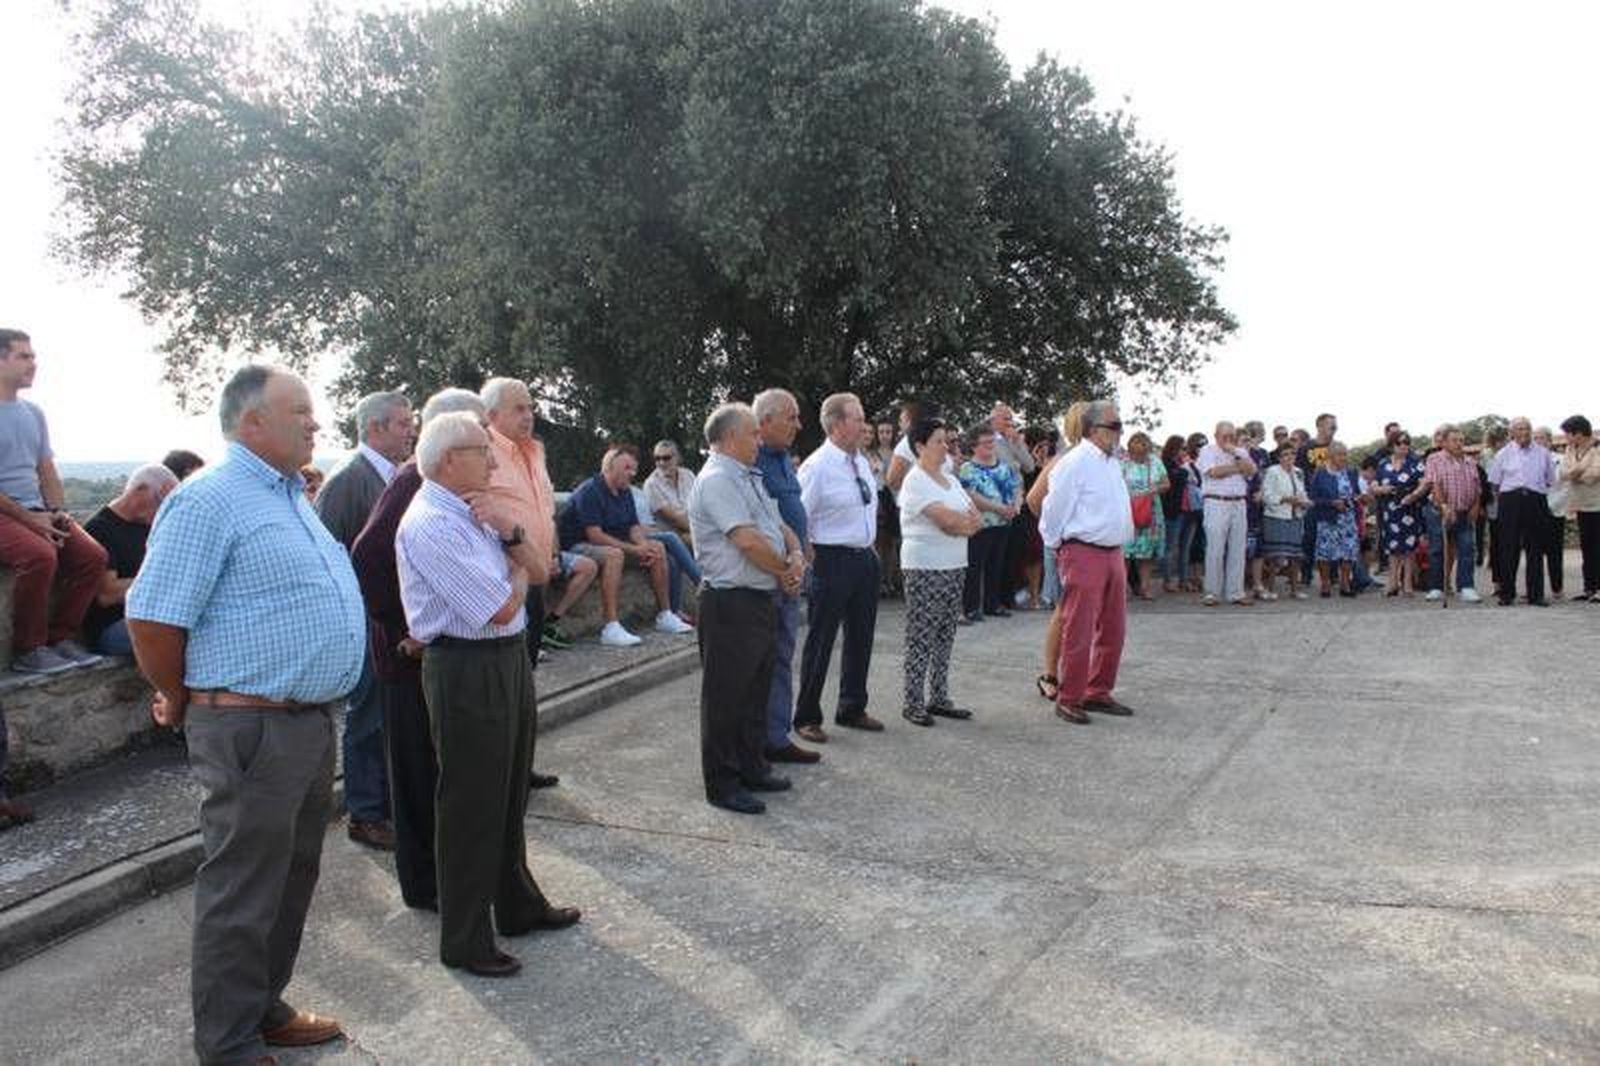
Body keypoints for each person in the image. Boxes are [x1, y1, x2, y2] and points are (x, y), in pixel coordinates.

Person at [126, 364, 365, 1063]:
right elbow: (151, 618)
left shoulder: (289, 497)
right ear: (252, 421)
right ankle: (227, 1044)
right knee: (242, 887)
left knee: (291, 875)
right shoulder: (209, 500)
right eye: (300, 411)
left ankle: (262, 1007)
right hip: (249, 725)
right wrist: (184, 697)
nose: (314, 423)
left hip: (305, 721)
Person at [395, 411, 580, 978]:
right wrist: (514, 561)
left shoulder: (476, 511)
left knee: (506, 790)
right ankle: (466, 936)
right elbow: (500, 605)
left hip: (501, 658)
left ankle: (517, 903)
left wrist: (512, 539)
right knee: (471, 803)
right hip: (464, 666)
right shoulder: (430, 522)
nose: (495, 460)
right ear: (450, 459)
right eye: (484, 451)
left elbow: (541, 570)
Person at [350, 387, 486, 915]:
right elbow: (367, 555)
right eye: (477, 436)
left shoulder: (434, 483)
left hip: (424, 655)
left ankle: (439, 880)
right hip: (407, 661)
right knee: (415, 775)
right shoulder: (416, 481)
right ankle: (425, 886)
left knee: (432, 773)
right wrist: (402, 629)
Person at [687, 403, 805, 814]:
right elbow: (747, 541)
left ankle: (752, 766)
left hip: (758, 597)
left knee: (756, 689)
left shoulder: (748, 477)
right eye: (753, 433)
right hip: (730, 600)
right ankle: (723, 783)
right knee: (726, 697)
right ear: (728, 438)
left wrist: (794, 553)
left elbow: (777, 525)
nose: (760, 440)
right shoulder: (718, 479)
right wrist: (784, 572)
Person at [313, 389, 416, 852]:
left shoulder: (391, 476)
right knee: (368, 718)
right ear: (373, 428)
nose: (411, 430)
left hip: (391, 620)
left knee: (390, 717)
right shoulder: (348, 481)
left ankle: (389, 804)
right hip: (365, 621)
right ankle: (366, 813)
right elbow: (327, 554)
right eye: (401, 423)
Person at [0, 328, 109, 675]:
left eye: (33, 356)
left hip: (36, 510)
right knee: (39, 556)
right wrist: (31, 521)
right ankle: (27, 650)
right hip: (6, 512)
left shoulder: (33, 413)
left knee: (93, 556)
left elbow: (46, 469)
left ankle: (60, 639)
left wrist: (57, 512)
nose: (34, 363)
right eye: (24, 356)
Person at [1037, 400, 1135, 724]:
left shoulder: (1111, 461)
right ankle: (1070, 697)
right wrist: (1057, 546)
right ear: (1094, 430)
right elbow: (1052, 508)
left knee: (1114, 628)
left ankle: (1098, 691)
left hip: (1112, 551)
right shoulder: (1075, 462)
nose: (1120, 433)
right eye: (1115, 427)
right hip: (1083, 550)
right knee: (1078, 627)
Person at [794, 392, 883, 740]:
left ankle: (852, 706)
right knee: (821, 640)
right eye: (857, 418)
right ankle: (806, 716)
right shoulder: (817, 466)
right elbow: (800, 516)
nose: (864, 424)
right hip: (831, 560)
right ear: (836, 425)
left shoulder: (860, 461)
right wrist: (809, 556)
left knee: (861, 636)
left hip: (863, 557)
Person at [482, 377, 590, 659]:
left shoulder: (536, 450)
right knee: (508, 666)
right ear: (492, 415)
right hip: (506, 578)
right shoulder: (482, 454)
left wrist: (552, 553)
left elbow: (545, 509)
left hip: (538, 572)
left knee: (528, 660)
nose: (528, 416)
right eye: (518, 409)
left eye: (530, 408)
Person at [557, 446, 696, 644]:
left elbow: (634, 526)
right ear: (609, 468)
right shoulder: (590, 491)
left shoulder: (625, 492)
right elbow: (595, 536)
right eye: (627, 468)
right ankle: (611, 627)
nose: (632, 473)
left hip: (610, 541)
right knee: (614, 555)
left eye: (633, 469)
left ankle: (665, 615)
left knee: (656, 548)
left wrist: (642, 545)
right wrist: (634, 549)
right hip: (577, 544)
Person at [751, 388, 822, 766]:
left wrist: (803, 548)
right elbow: (755, 526)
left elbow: (790, 511)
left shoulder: (780, 459)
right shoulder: (750, 461)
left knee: (782, 655)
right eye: (791, 417)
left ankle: (776, 736)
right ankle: (758, 741)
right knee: (760, 662)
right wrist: (783, 566)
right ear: (765, 422)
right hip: (769, 576)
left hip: (792, 572)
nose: (799, 424)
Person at [898, 418, 982, 726]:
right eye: (938, 441)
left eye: (946, 441)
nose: (945, 446)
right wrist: (964, 524)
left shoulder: (950, 478)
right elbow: (947, 521)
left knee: (946, 633)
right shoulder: (916, 479)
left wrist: (964, 524)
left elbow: (974, 518)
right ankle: (913, 701)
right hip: (925, 566)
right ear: (919, 446)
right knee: (922, 634)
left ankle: (939, 696)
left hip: (954, 563)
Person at [1027, 401, 1089, 704]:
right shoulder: (1064, 460)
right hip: (1066, 547)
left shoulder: (1099, 460)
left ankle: (1074, 675)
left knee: (1076, 613)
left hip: (1091, 549)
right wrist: (1056, 530)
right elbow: (1034, 499)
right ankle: (1050, 674)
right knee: (1064, 612)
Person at [82, 463, 178, 655]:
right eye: (161, 502)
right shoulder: (100, 529)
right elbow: (107, 594)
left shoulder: (150, 527)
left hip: (150, 615)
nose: (164, 511)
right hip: (113, 626)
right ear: (140, 490)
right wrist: (163, 580)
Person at [957, 424, 1021, 622]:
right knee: (975, 566)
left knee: (997, 564)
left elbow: (1017, 487)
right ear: (974, 446)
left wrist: (1016, 505)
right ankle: (971, 607)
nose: (990, 446)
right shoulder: (968, 468)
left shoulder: (1003, 465)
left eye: (992, 442)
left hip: (1003, 523)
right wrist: (999, 508)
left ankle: (993, 604)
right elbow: (971, 495)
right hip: (981, 524)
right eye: (985, 443)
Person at [1488, 417, 1554, 606]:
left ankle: (1536, 595)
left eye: (1527, 428)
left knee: (1535, 548)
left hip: (1535, 500)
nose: (1524, 432)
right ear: (1512, 432)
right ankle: (1507, 593)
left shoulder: (1543, 453)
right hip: (1510, 500)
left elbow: (1550, 479)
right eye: (1519, 428)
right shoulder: (1503, 454)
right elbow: (1495, 482)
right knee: (1508, 547)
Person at [1420, 426, 1483, 603]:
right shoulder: (1435, 459)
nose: (1459, 444)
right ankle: (1436, 587)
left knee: (1467, 548)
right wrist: (1444, 507)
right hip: (1440, 511)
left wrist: (1475, 507)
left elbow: (1477, 488)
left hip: (1465, 510)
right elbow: (1435, 484)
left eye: (1461, 440)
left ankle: (1466, 587)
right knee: (1437, 549)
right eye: (1455, 440)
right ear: (1445, 442)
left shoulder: (1470, 462)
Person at [1198, 421, 1257, 606]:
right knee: (1215, 548)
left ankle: (1235, 592)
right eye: (1225, 436)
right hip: (1216, 502)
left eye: (1232, 435)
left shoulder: (1240, 452)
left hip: (1238, 503)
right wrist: (1238, 468)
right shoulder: (1208, 450)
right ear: (1216, 435)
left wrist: (1236, 453)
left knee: (1238, 549)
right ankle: (1212, 592)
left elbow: (1252, 470)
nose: (1228, 439)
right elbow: (1214, 472)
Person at [1373, 433, 1426, 597]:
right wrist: (1381, 489)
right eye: (1399, 443)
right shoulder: (1383, 464)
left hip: (1409, 508)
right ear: (1391, 445)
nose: (1404, 446)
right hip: (1389, 509)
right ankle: (1392, 583)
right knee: (1392, 547)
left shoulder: (1415, 463)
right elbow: (1374, 484)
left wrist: (1414, 496)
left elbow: (1425, 482)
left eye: (1407, 442)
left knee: (1409, 548)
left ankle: (1408, 584)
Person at [1120, 431, 1169, 600]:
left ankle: (1145, 586)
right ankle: (1123, 587)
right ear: (1130, 451)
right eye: (1136, 454)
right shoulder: (1122, 463)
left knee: (1147, 553)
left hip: (1151, 512)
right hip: (1126, 512)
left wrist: (1152, 490)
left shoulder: (1155, 461)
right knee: (1124, 552)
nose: (1139, 457)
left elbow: (1166, 484)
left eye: (1142, 453)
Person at [1309, 442, 1361, 597]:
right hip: (1328, 518)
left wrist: (1360, 498)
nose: (1344, 458)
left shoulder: (1351, 472)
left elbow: (1356, 493)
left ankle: (1345, 583)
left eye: (1345, 454)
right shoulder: (1321, 473)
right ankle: (1325, 584)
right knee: (1325, 552)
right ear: (1331, 456)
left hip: (1348, 518)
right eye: (1340, 454)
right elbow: (1313, 498)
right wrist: (1332, 503)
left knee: (1348, 551)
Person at [1557, 415, 1600, 600]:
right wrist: (1579, 472)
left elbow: (1594, 476)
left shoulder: (1598, 449)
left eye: (1567, 434)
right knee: (1587, 548)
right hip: (1581, 506)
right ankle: (1589, 588)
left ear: (1579, 433)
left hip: (1597, 505)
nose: (1565, 438)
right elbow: (1563, 473)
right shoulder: (1569, 449)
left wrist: (1575, 472)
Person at [1260, 443, 1311, 599]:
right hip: (1277, 517)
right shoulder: (1272, 471)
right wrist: (1285, 499)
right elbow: (1267, 495)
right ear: (1279, 457)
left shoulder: (1298, 472)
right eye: (1286, 454)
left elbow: (1302, 492)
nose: (1290, 457)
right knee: (1275, 555)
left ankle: (1294, 590)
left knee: (1295, 555)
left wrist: (1305, 502)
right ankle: (1270, 589)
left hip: (1295, 516)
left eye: (1292, 454)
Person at [1533, 427, 1566, 599]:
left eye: (1541, 438)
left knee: (1555, 552)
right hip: (1533, 511)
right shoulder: (1528, 460)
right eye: (1535, 438)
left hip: (1554, 510)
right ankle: (1535, 589)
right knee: (1534, 552)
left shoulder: (1561, 460)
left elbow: (1565, 487)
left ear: (1549, 441)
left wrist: (1551, 506)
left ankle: (1557, 587)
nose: (1538, 441)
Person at [644, 440, 697, 541]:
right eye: (657, 458)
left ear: (677, 457)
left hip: (694, 526)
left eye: (666, 458)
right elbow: (675, 519)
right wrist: (705, 531)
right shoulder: (651, 485)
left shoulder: (688, 475)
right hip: (673, 536)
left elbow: (701, 505)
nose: (661, 463)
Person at [1157, 435, 1191, 593]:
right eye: (1183, 448)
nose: (1185, 451)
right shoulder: (1166, 464)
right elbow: (1178, 479)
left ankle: (1183, 580)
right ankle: (1167, 580)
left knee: (1182, 547)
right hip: (1170, 511)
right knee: (1169, 547)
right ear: (1174, 448)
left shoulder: (1180, 464)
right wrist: (1184, 470)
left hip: (1185, 510)